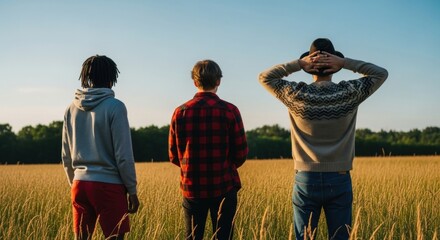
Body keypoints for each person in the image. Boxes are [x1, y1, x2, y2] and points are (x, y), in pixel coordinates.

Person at [258, 38, 388, 240]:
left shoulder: (296, 94)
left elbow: (265, 78)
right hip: (340, 176)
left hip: (305, 177)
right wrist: (344, 63)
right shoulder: (349, 92)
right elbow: (381, 73)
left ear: (310, 68)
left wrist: (299, 64)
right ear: (334, 67)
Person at [62, 55, 140, 240]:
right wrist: (132, 190)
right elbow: (123, 156)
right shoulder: (116, 107)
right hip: (109, 185)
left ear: (85, 76)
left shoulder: (70, 109)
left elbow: (66, 155)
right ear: (111, 77)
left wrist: (74, 182)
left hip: (79, 184)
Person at [169, 59, 248, 240]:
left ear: (195, 82)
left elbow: (173, 155)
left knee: (193, 237)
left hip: (192, 188)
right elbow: (241, 153)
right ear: (218, 81)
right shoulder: (230, 111)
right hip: (224, 186)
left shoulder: (179, 112)